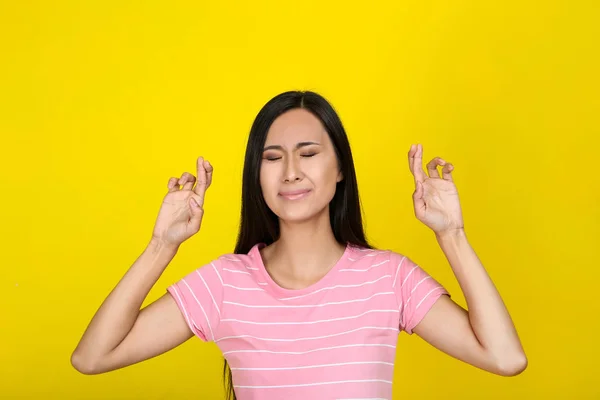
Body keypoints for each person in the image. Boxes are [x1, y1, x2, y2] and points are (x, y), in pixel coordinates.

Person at [71, 91, 527, 399]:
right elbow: (92, 357)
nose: (290, 171)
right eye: (272, 158)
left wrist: (451, 235)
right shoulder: (225, 283)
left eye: (308, 153)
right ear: (258, 175)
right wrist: (160, 246)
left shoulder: (389, 279)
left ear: (340, 169)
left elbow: (505, 358)